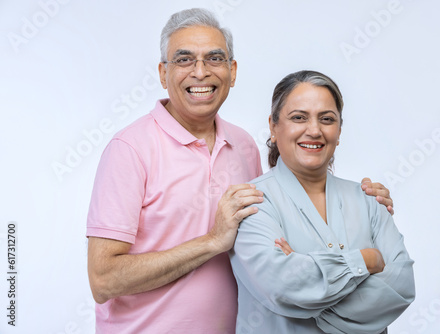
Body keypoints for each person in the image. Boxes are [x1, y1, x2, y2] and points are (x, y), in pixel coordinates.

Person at [86, 8, 395, 334]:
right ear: (164, 73)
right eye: (184, 59)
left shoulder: (244, 145)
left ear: (232, 72)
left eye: (214, 59)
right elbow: (103, 279)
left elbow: (287, 228)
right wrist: (212, 242)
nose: (200, 72)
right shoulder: (130, 149)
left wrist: (363, 206)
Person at [230, 70, 415, 334]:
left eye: (327, 119)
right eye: (299, 118)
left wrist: (310, 291)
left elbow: (401, 287)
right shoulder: (253, 202)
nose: (314, 130)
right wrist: (367, 260)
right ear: (273, 126)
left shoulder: (369, 200)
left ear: (339, 131)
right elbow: (281, 286)